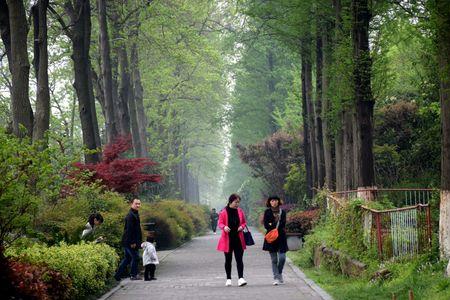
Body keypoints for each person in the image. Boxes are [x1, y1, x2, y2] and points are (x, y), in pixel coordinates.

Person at [217, 193, 248, 287]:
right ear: (231, 201)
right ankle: (228, 279)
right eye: (236, 202)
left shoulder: (240, 211)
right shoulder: (223, 212)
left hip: (238, 239)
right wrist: (224, 227)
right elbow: (220, 223)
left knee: (239, 259)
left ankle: (241, 278)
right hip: (227, 240)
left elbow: (244, 222)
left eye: (238, 202)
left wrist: (241, 227)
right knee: (228, 260)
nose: (237, 204)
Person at [114, 198, 143, 281]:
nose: (138, 205)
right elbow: (129, 230)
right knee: (136, 257)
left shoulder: (135, 214)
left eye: (139, 204)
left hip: (130, 241)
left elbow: (136, 229)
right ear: (131, 204)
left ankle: (117, 275)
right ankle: (133, 275)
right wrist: (132, 242)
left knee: (127, 259)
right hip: (129, 241)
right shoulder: (130, 216)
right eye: (136, 203)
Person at [262, 195, 288, 285]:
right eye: (272, 201)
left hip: (281, 237)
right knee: (274, 260)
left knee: (282, 258)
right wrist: (275, 222)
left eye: (275, 200)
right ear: (269, 202)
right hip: (271, 238)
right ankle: (276, 277)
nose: (274, 202)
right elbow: (266, 225)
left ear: (278, 201)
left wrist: (272, 224)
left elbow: (283, 224)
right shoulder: (267, 212)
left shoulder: (283, 212)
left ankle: (279, 272)